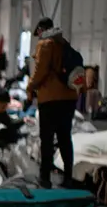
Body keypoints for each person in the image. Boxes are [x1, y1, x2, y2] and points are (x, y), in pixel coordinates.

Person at [27, 17, 79, 188]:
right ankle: (68, 177)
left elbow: (40, 71)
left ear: (41, 29)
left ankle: (45, 178)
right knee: (65, 138)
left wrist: (30, 87)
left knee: (47, 139)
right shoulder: (63, 43)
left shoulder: (45, 44)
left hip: (50, 99)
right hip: (69, 98)